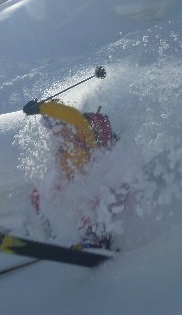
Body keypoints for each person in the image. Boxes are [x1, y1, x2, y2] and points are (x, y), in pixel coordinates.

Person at [22, 98, 118, 249]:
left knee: (88, 199)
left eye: (53, 124)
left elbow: (70, 113)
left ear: (61, 121)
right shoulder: (62, 144)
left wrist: (42, 108)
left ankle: (100, 238)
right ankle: (45, 231)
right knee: (41, 193)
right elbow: (66, 171)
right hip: (82, 180)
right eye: (48, 126)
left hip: (103, 179)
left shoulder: (82, 129)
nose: (52, 130)